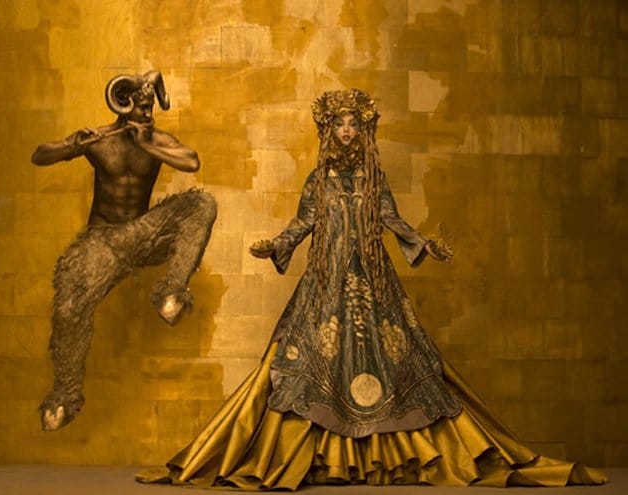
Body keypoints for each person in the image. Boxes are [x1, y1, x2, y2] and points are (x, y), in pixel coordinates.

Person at [136, 89, 606, 489]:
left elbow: (391, 220)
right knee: (307, 361)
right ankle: (320, 459)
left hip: (373, 279)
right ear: (328, 131)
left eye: (353, 124)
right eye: (339, 124)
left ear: (362, 131)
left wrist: (424, 243)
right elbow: (304, 222)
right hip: (326, 279)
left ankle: (384, 458)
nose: (346, 131)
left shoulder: (373, 178)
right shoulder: (318, 180)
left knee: (398, 359)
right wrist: (277, 244)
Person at [31, 71, 217, 431]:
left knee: (202, 204)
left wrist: (148, 145)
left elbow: (192, 161)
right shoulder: (100, 140)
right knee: (69, 307)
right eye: (141, 108)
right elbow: (39, 155)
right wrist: (72, 146)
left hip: (143, 235)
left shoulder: (156, 139)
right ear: (124, 106)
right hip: (103, 243)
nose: (147, 115)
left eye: (151, 108)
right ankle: (65, 396)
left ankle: (171, 292)